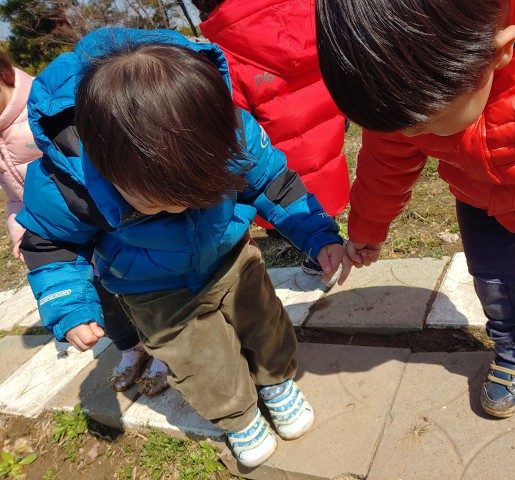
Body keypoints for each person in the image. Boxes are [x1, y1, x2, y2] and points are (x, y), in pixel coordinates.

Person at [315, 0, 515, 470]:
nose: (412, 134)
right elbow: (385, 160)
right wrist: (367, 229)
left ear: (499, 52)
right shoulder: (403, 85)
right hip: (480, 191)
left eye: (423, 124)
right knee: (493, 278)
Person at [19, 27, 350, 468]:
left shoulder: (226, 127)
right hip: (151, 289)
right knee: (198, 358)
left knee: (264, 321)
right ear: (106, 164)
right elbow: (51, 244)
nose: (180, 207)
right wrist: (70, 307)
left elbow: (273, 183)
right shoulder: (66, 182)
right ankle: (237, 416)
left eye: (200, 191)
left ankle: (275, 380)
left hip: (231, 257)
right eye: (158, 201)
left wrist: (318, 235)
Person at [0, 50, 168, 397]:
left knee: (144, 290)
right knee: (102, 300)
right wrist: (21, 230)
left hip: (99, 220)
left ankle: (164, 348)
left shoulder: (46, 107)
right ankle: (131, 347)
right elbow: (14, 195)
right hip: (56, 229)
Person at [192, 0, 350, 275]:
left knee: (282, 191)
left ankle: (308, 243)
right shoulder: (314, 16)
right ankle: (325, 236)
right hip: (328, 137)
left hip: (276, 167)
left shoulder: (224, 54)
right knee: (319, 185)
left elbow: (238, 129)